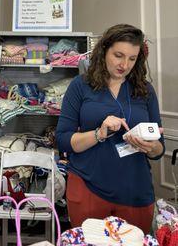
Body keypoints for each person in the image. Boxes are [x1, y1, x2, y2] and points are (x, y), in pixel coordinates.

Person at [56, 24, 165, 234]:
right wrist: (99, 134)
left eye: (132, 58)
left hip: (135, 191)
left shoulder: (145, 91)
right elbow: (62, 140)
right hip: (88, 188)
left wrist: (150, 147)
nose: (124, 64)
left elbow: (160, 149)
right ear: (104, 50)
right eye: (118, 55)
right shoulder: (80, 86)